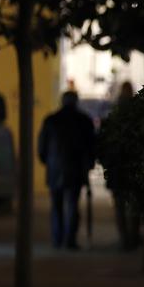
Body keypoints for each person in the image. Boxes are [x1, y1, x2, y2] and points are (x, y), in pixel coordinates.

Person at [37, 91, 96, 250]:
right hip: (75, 170)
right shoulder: (84, 121)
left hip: (55, 169)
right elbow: (91, 147)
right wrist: (89, 165)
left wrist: (47, 162)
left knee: (56, 206)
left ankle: (57, 239)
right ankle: (70, 240)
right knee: (72, 204)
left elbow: (42, 147)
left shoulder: (51, 120)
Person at [108, 82, 143, 251]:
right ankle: (133, 236)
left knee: (120, 205)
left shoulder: (114, 114)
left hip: (117, 167)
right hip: (135, 167)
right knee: (135, 205)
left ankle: (124, 238)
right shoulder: (138, 114)